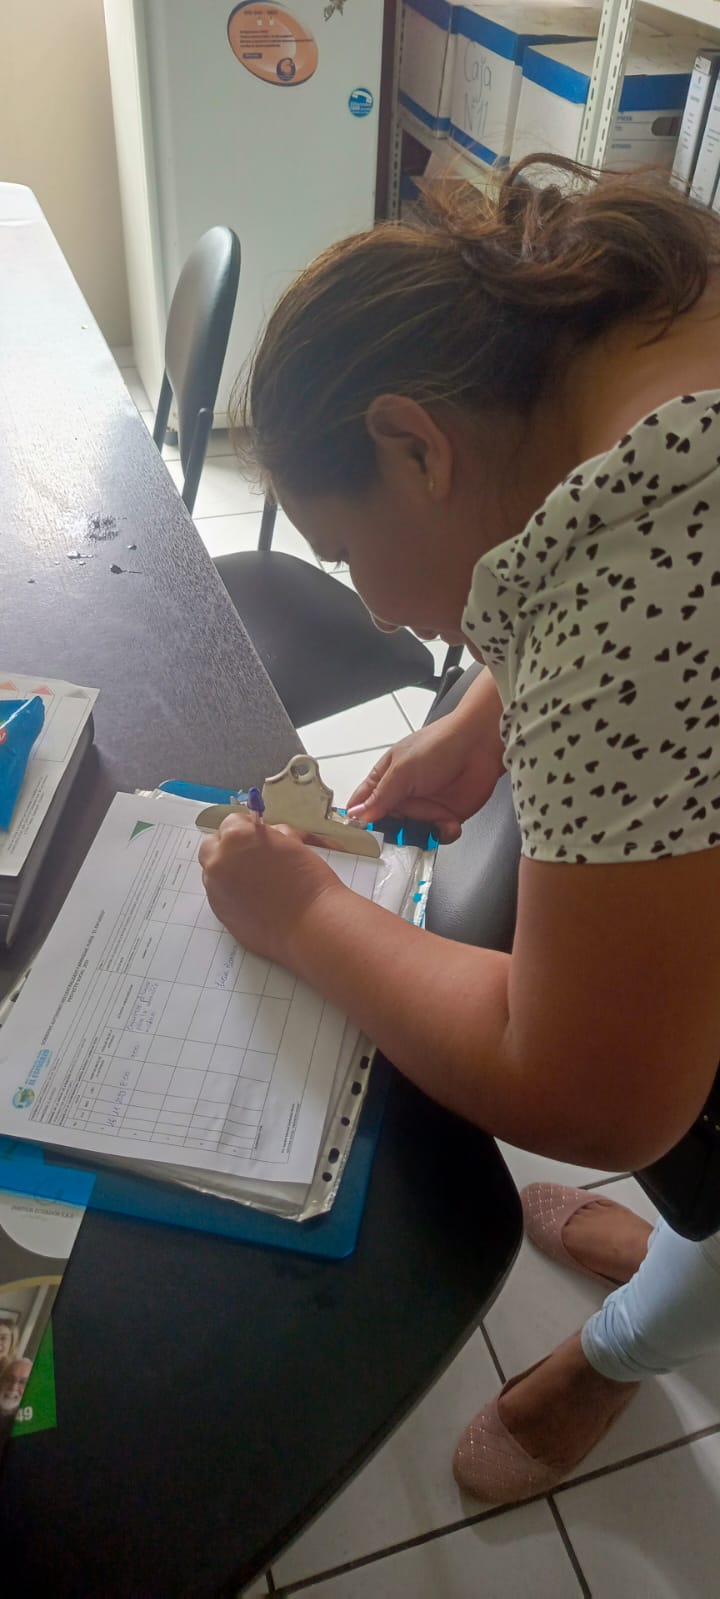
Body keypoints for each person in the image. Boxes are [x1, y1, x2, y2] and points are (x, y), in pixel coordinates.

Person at [200, 155, 720, 1502]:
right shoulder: (645, 320)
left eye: (346, 552)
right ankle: (686, 1258)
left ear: (415, 446)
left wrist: (306, 915)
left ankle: (624, 1346)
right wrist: (498, 698)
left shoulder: (644, 571)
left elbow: (597, 1091)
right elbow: (622, 539)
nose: (374, 609)